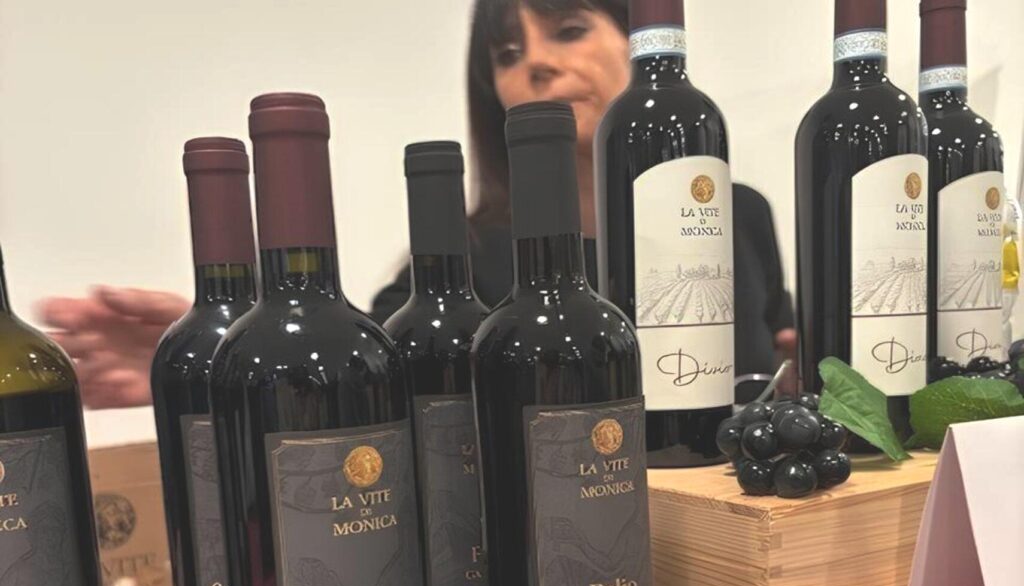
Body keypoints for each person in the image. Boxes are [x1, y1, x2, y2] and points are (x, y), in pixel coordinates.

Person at [37, 0, 796, 410]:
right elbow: (356, 368)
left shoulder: (742, 216)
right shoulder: (463, 258)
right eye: (506, 54)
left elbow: (780, 356)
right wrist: (221, 352)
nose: (535, 62)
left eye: (567, 29)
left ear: (640, 40)